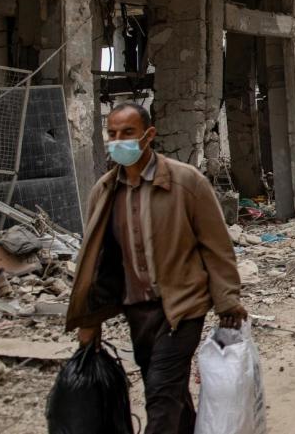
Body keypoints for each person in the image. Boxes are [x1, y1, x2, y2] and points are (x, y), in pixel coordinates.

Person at [66, 103, 246, 434]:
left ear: (149, 135)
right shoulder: (104, 192)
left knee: (161, 393)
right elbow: (97, 259)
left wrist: (227, 300)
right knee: (166, 388)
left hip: (183, 307)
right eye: (112, 134)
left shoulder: (186, 183)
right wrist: (88, 321)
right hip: (137, 309)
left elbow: (216, 246)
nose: (118, 141)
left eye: (127, 133)